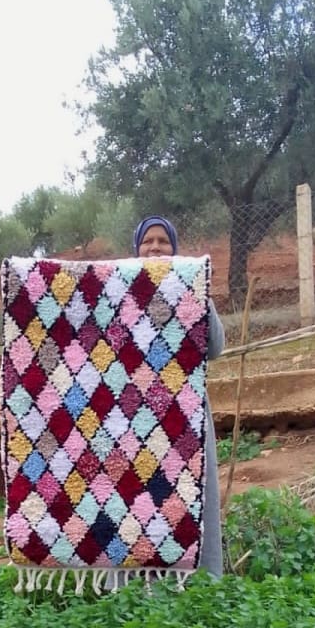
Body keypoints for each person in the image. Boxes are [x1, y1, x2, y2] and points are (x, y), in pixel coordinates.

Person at [133, 215, 224, 577]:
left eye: (163, 241)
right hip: (132, 420)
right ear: (136, 249)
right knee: (137, 499)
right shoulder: (116, 293)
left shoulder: (190, 288)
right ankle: (136, 583)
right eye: (147, 242)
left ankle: (202, 582)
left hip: (186, 416)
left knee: (194, 495)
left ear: (175, 248)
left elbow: (214, 347)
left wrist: (201, 292)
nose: (155, 248)